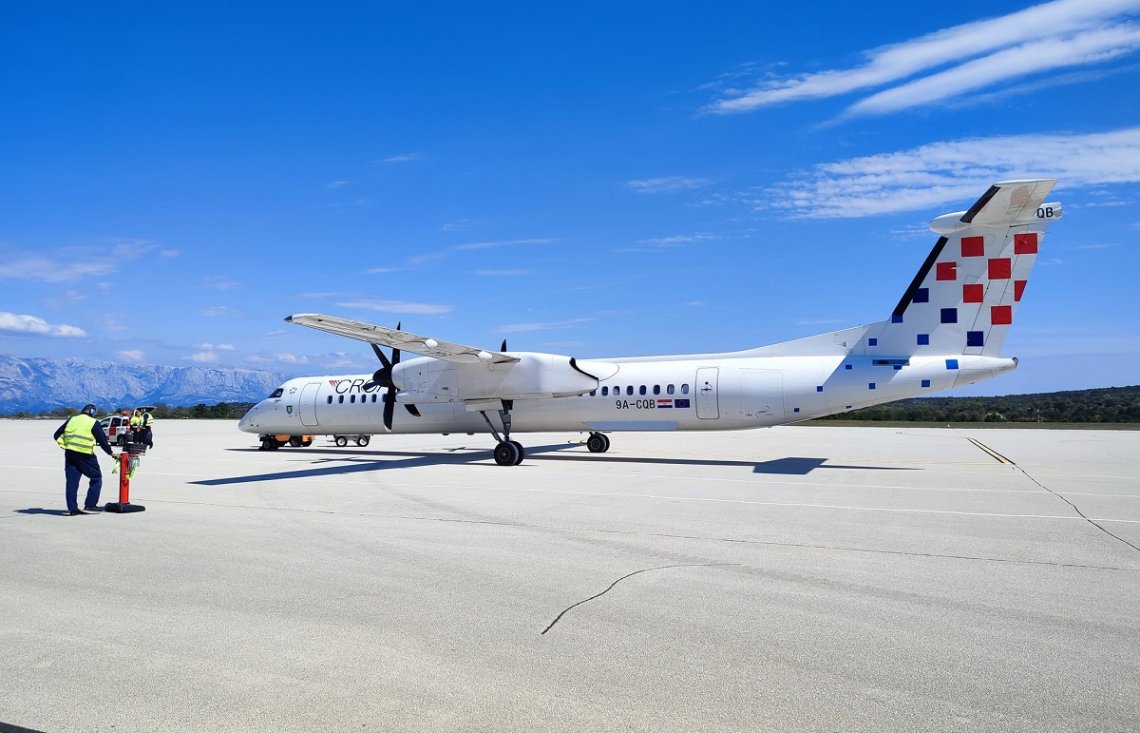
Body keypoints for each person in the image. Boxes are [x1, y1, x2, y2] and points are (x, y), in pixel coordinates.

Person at [53, 404, 115, 515]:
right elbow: (102, 441)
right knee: (96, 477)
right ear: (92, 411)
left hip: (70, 454)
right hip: (85, 456)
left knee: (72, 482)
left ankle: (73, 509)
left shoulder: (72, 419)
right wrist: (111, 453)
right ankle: (90, 504)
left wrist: (65, 445)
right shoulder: (93, 422)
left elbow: (56, 434)